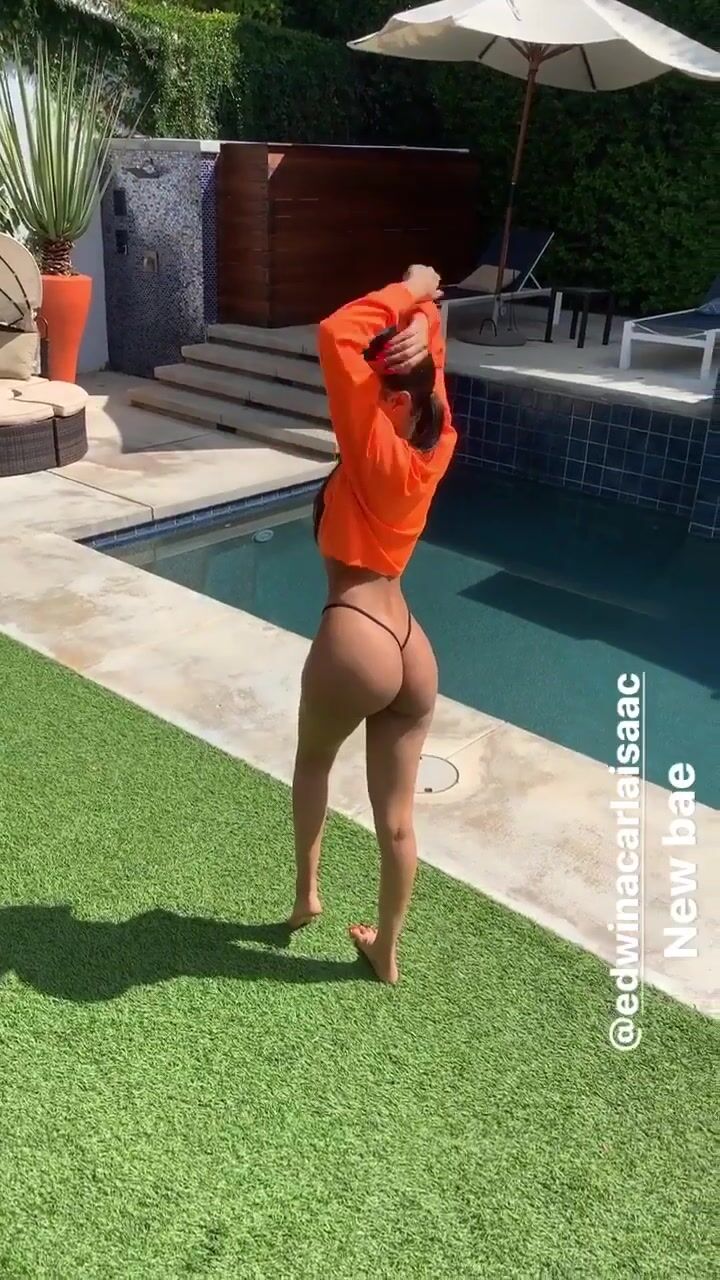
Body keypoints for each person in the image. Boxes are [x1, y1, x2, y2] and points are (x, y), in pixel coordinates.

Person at [289, 265, 457, 983]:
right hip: (409, 645)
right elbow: (432, 373)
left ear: (392, 395)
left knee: (313, 763)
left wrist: (410, 285)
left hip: (355, 632)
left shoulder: (373, 448)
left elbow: (336, 334)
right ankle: (385, 950)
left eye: (379, 385)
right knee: (397, 819)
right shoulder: (436, 441)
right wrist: (423, 319)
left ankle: (306, 895)